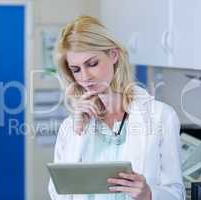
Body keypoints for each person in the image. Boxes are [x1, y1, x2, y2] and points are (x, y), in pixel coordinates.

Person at [48, 16, 185, 200]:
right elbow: (58, 193)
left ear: (113, 55)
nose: (85, 77)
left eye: (92, 63)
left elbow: (177, 193)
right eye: (76, 69)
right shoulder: (71, 126)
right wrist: (76, 133)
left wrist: (148, 194)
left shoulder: (161, 116)